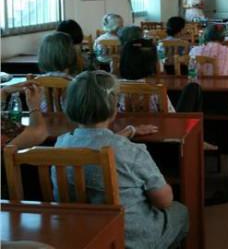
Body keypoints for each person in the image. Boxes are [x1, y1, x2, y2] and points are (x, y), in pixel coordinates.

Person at [53, 71, 188, 249]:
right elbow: (163, 201)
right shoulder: (130, 151)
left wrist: (128, 132)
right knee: (180, 211)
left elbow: (96, 144)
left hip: (83, 234)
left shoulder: (61, 144)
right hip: (131, 239)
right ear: (114, 106)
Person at [189, 24, 228, 121]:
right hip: (223, 98)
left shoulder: (194, 51)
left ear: (205, 36)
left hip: (197, 96)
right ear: (223, 38)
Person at [119, 39, 175, 113]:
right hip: (154, 124)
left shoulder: (116, 88)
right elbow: (170, 115)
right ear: (152, 64)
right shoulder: (156, 89)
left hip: (124, 124)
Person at [37, 32, 78, 111]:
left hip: (41, 122)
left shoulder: (36, 82)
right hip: (68, 123)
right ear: (71, 53)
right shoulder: (76, 84)